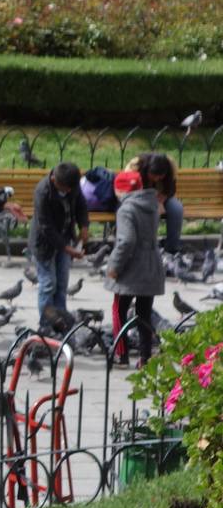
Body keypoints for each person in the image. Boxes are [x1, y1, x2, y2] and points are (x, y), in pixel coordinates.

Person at [108, 155, 175, 366]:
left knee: (119, 309)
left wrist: (114, 267)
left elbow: (126, 241)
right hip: (151, 263)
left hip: (131, 266)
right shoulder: (153, 204)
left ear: (122, 191)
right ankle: (145, 356)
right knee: (144, 313)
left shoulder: (126, 209)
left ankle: (122, 353)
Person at [29, 162, 89, 331]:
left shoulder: (72, 185)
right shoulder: (43, 192)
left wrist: (84, 225)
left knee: (61, 285)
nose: (68, 191)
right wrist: (67, 248)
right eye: (64, 188)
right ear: (54, 179)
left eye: (71, 188)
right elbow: (45, 226)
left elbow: (81, 204)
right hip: (45, 243)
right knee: (48, 284)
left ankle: (61, 324)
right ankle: (46, 324)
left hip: (65, 237)